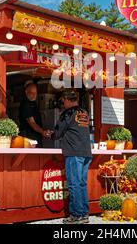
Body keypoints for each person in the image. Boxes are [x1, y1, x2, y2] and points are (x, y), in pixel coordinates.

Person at [54, 89, 92, 224]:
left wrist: (49, 133)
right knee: (81, 184)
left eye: (63, 101)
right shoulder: (84, 112)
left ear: (67, 99)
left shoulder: (67, 114)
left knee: (74, 184)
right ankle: (84, 214)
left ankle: (76, 215)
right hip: (86, 152)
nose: (62, 103)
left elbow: (57, 133)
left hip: (74, 153)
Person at [18, 81, 52, 147]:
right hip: (28, 136)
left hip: (35, 135)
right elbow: (32, 123)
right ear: (26, 92)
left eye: (35, 93)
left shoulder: (33, 103)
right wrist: (43, 132)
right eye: (32, 93)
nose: (34, 95)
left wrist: (42, 132)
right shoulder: (25, 104)